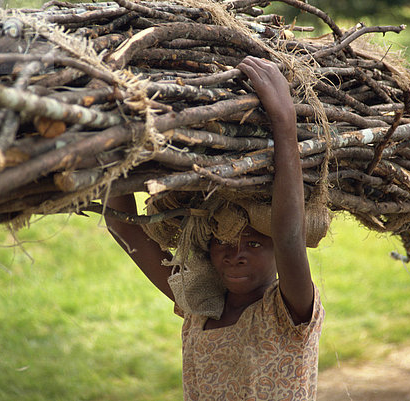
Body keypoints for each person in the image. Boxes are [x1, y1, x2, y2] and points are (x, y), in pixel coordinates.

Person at [105, 56, 324, 400]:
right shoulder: (199, 306)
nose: (235, 255)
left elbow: (288, 234)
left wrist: (284, 121)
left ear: (275, 253)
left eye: (253, 245)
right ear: (207, 249)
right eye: (222, 242)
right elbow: (126, 229)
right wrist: (121, 141)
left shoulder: (287, 311)